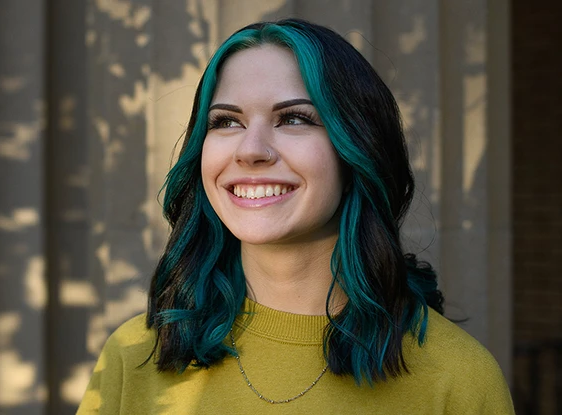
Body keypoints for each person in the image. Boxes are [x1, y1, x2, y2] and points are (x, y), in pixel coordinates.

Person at [77, 18, 514, 414]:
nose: (251, 150)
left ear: (357, 151)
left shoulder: (458, 379)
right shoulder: (134, 355)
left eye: (294, 119)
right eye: (227, 122)